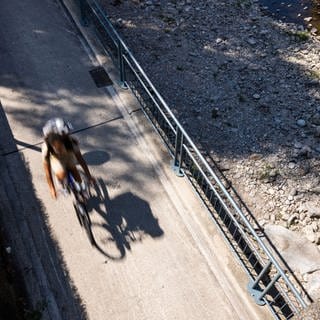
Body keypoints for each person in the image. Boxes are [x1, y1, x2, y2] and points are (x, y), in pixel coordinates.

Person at [42, 118, 94, 199]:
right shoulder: (46, 149)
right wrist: (52, 189)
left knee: (75, 172)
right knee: (61, 175)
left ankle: (80, 187)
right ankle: (61, 182)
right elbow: (47, 171)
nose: (68, 134)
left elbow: (80, 159)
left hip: (68, 155)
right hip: (55, 158)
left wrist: (88, 175)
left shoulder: (71, 143)